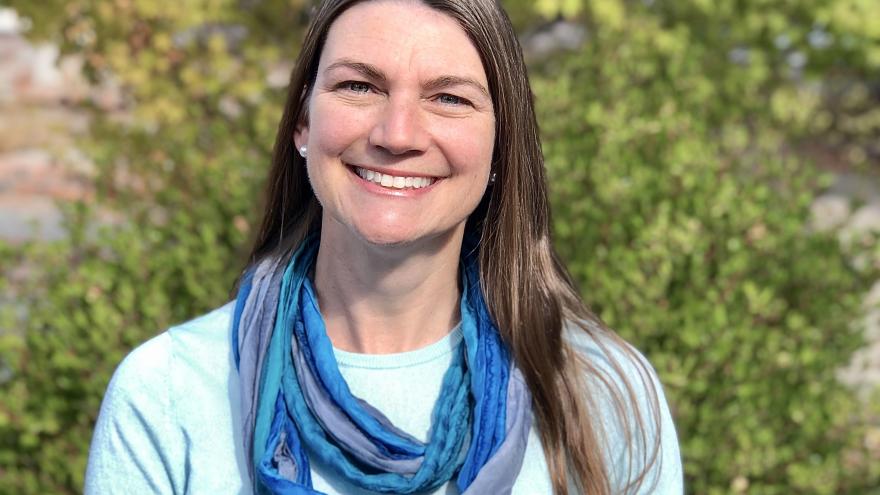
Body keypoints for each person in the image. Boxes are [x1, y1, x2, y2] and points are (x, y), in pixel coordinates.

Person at [84, 0, 683, 493]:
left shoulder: (601, 392)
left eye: (449, 98)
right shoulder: (167, 393)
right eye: (359, 86)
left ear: (501, 149)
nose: (397, 135)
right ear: (302, 124)